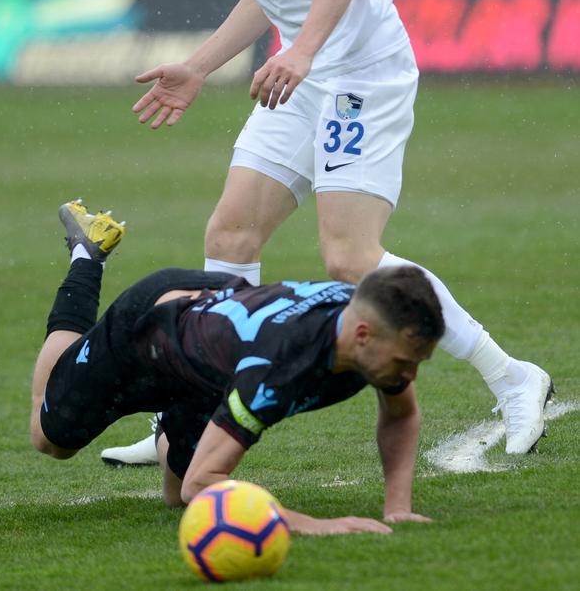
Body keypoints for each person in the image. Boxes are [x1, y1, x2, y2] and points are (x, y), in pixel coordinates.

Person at [113, 0, 551, 465]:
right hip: (307, 69)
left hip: (360, 71)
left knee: (349, 258)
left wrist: (304, 52)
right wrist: (198, 66)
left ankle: (512, 377)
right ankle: (189, 423)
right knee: (230, 237)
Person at [31, 200, 445, 534]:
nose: (409, 376)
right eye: (405, 363)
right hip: (146, 330)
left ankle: (169, 419)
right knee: (52, 441)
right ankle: (87, 257)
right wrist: (317, 525)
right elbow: (203, 484)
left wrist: (398, 508)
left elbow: (401, 414)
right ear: (362, 335)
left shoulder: (371, 331)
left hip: (210, 357)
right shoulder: (277, 367)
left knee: (177, 501)